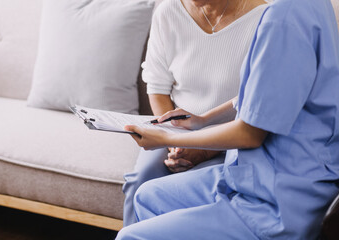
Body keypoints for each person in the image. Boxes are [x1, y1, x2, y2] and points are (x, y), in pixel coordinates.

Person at [117, 0, 339, 238]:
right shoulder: (308, 5)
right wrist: (202, 120)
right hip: (258, 171)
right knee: (147, 195)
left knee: (129, 236)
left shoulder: (281, 19)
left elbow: (249, 134)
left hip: (275, 197)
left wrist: (166, 137)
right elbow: (262, 92)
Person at [123, 0, 268, 226]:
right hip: (176, 130)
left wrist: (203, 149)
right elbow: (158, 87)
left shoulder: (264, 18)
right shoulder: (168, 12)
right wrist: (176, 144)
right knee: (140, 179)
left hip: (230, 139)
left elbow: (254, 104)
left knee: (192, 191)